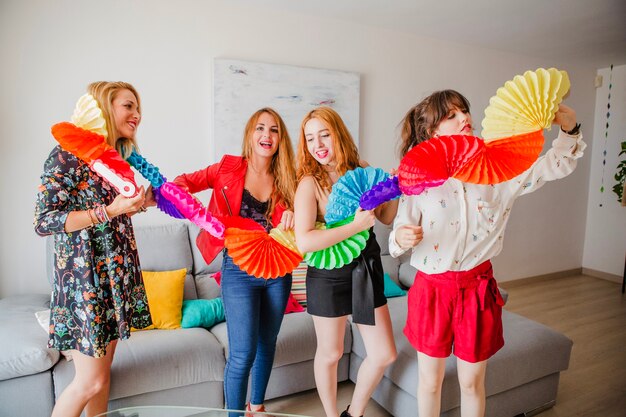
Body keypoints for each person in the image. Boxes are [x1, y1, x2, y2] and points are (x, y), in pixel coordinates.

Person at [390, 90, 585, 417]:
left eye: (463, 111)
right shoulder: (418, 176)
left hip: (476, 289)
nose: (464, 118)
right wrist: (402, 236)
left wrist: (569, 129)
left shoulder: (498, 170)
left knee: (472, 382)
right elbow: (398, 234)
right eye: (451, 115)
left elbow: (549, 167)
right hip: (432, 290)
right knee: (430, 381)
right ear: (432, 131)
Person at [34, 81, 153, 417]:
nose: (137, 114)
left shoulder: (114, 161)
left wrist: (135, 205)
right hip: (85, 283)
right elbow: (44, 221)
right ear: (104, 108)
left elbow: (112, 212)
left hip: (113, 279)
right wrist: (110, 211)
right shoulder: (66, 155)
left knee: (102, 379)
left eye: (137, 107)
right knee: (90, 383)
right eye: (128, 106)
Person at [173, 108, 297, 415]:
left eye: (274, 130)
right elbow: (183, 183)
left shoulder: (288, 178)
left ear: (281, 139)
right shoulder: (228, 168)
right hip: (238, 272)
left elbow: (309, 213)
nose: (266, 136)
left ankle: (257, 407)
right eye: (260, 128)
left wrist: (296, 216)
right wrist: (200, 215)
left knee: (268, 343)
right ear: (249, 134)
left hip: (277, 271)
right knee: (243, 353)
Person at [294, 106, 398, 417]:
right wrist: (353, 226)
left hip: (367, 267)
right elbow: (305, 240)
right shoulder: (309, 183)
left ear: (338, 133)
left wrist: (392, 190)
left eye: (324, 134)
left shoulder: (363, 169)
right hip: (328, 275)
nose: (318, 144)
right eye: (310, 138)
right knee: (331, 352)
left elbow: (386, 217)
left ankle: (354, 414)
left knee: (384, 353)